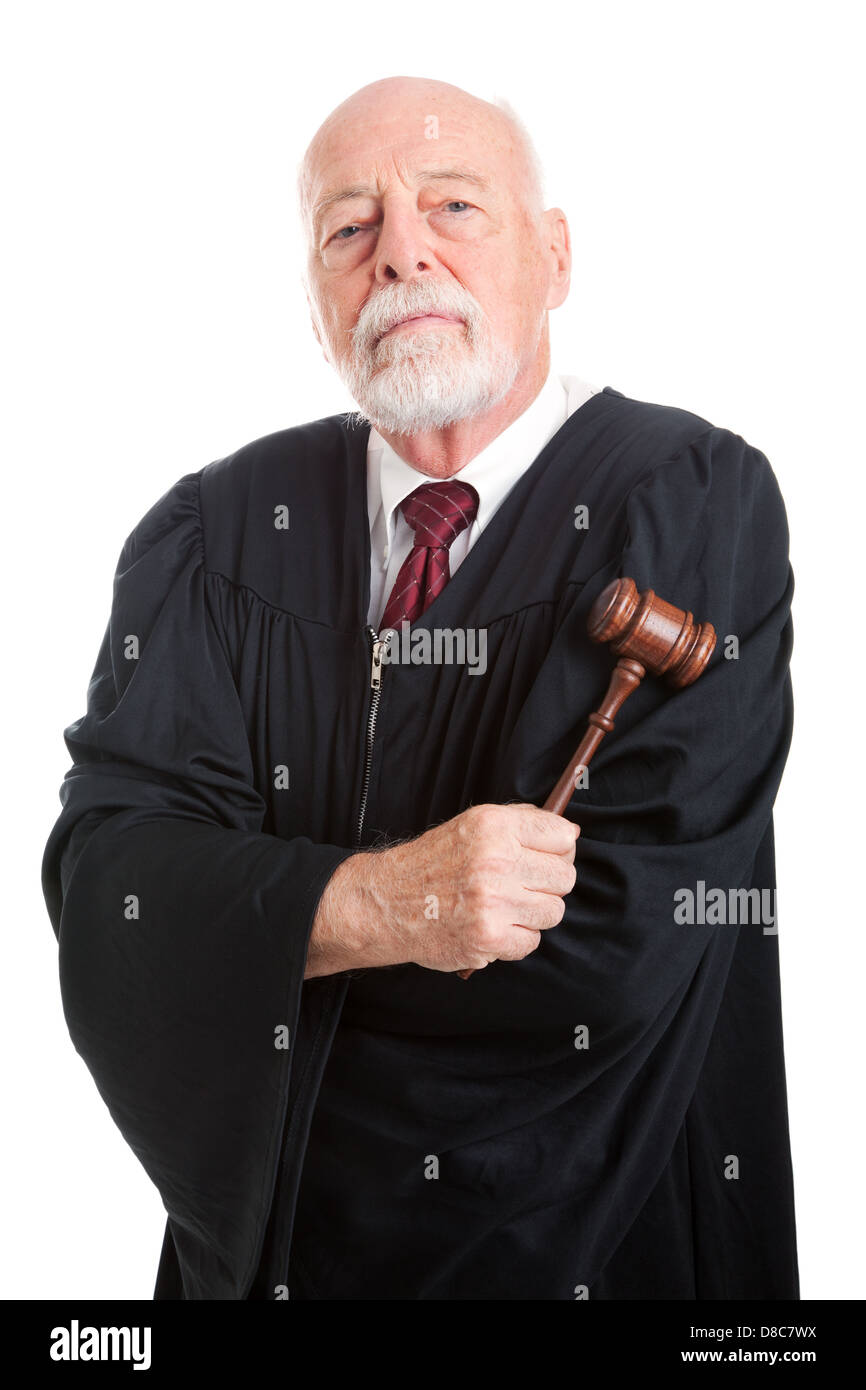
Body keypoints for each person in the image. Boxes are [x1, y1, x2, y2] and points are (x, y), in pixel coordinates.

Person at [41, 75, 797, 1301]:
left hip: (603, 1250)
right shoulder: (213, 534)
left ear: (553, 254)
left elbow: (610, 954)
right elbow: (116, 891)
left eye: (452, 205)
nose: (400, 255)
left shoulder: (686, 500)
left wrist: (272, 949)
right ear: (313, 305)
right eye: (349, 229)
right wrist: (387, 903)